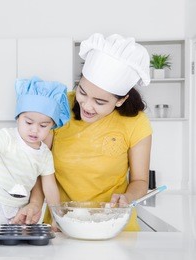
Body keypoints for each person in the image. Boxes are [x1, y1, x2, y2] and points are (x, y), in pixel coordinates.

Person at [12, 33, 152, 231]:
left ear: (120, 100)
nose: (86, 106)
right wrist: (35, 203)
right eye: (82, 92)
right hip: (61, 225)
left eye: (100, 102)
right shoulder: (59, 108)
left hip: (114, 227)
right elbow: (40, 165)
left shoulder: (136, 123)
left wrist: (127, 198)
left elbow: (140, 181)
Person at [0, 76, 70, 227]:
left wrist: (56, 217)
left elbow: (49, 187)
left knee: (16, 246)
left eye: (43, 125)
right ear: (18, 118)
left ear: (52, 127)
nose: (34, 130)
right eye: (28, 122)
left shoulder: (44, 155)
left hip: (20, 207)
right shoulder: (7, 137)